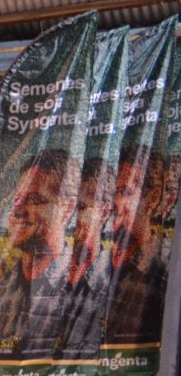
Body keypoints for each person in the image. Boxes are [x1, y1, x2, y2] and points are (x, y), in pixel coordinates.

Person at [0, 148, 77, 358]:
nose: (17, 210)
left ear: (67, 208)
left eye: (35, 199)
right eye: (17, 199)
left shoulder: (79, 290)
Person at [104, 147, 172, 343]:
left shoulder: (164, 270)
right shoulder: (97, 265)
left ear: (152, 198)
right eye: (109, 193)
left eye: (124, 192)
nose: (114, 202)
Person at [57, 153, 114, 359]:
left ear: (104, 212)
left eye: (80, 207)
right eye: (66, 205)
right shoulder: (45, 275)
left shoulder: (114, 280)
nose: (69, 218)